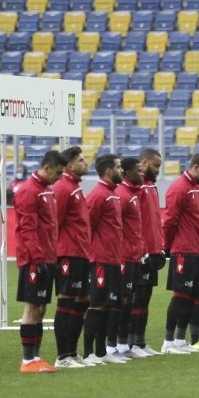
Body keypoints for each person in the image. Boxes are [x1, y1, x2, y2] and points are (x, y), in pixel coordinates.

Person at [14, 150, 67, 373]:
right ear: (47, 168)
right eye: (58, 172)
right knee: (32, 307)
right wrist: (38, 258)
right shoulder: (29, 191)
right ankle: (27, 361)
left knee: (42, 308)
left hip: (48, 256)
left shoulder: (47, 190)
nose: (60, 177)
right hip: (34, 260)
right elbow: (27, 229)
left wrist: (51, 256)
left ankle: (36, 357)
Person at [161, 152, 199, 354]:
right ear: (196, 167)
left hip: (195, 250)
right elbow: (170, 222)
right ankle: (168, 342)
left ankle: (179, 341)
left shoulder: (196, 189)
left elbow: (198, 224)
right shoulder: (178, 188)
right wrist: (166, 247)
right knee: (180, 296)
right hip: (182, 251)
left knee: (191, 296)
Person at [52, 146, 92, 368]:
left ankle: (72, 353)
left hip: (82, 253)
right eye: (81, 160)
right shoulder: (62, 188)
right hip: (68, 253)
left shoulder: (74, 187)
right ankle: (62, 357)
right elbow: (54, 223)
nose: (86, 163)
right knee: (66, 301)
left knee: (81, 301)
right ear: (69, 165)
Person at [84, 153, 125, 364]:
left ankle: (101, 352)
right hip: (100, 260)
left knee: (109, 305)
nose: (122, 171)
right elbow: (87, 226)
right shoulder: (98, 195)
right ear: (109, 171)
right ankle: (88, 352)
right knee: (97, 305)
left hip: (114, 259)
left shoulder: (114, 194)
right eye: (119, 167)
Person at [113, 156, 149, 358]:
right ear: (126, 173)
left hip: (134, 255)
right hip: (123, 257)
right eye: (138, 170)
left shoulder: (134, 194)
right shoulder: (122, 195)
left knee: (130, 300)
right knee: (121, 301)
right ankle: (113, 346)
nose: (142, 173)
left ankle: (124, 345)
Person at [131, 148, 164, 356]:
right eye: (156, 165)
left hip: (152, 251)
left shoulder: (151, 186)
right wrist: (143, 250)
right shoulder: (137, 187)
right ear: (143, 164)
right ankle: (131, 343)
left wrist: (159, 248)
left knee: (145, 298)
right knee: (136, 298)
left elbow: (154, 222)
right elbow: (136, 223)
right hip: (140, 253)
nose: (158, 170)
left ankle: (140, 342)